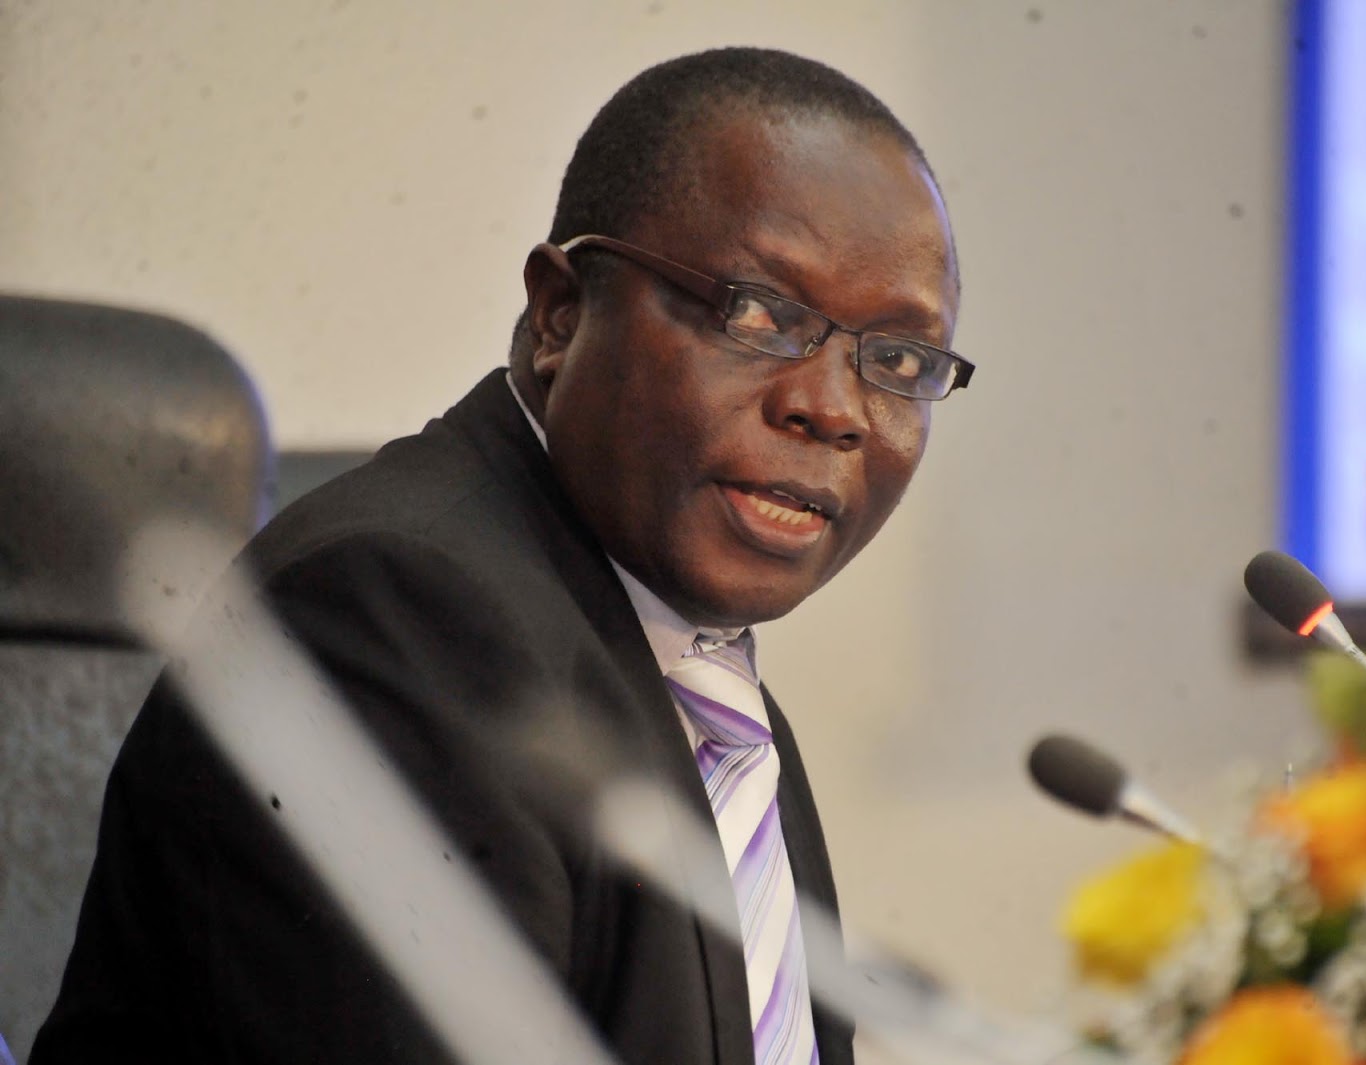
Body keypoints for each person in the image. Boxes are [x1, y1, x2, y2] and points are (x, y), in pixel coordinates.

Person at [34, 46, 969, 1065]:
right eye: (757, 312)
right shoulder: (395, 620)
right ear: (560, 313)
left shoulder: (695, 675)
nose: (831, 408)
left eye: (899, 359)